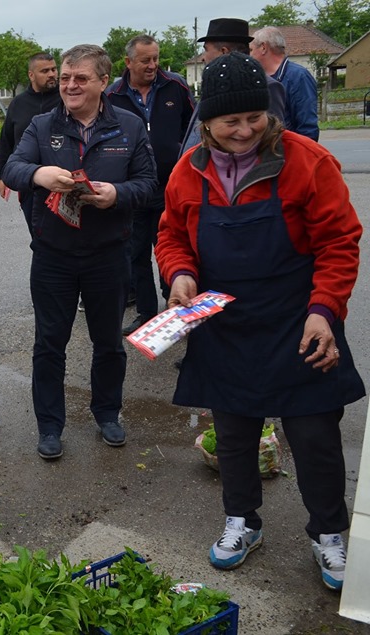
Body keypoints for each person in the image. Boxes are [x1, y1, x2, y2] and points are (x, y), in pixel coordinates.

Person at [155, 52, 364, 591]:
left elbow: (339, 243)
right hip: (225, 322)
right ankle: (242, 521)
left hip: (300, 319)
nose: (246, 130)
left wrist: (325, 311)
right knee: (234, 432)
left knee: (315, 434)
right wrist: (179, 275)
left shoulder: (309, 161)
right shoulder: (188, 170)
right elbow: (172, 235)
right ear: (207, 124)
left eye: (256, 118)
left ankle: (329, 533)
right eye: (232, 121)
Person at [1, 44, 158, 460]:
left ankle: (107, 413)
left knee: (108, 343)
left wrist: (116, 194)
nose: (69, 85)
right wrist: (38, 173)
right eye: (66, 77)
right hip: (53, 255)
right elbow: (11, 169)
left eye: (80, 78)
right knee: (49, 344)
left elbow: (149, 184)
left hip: (108, 255)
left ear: (104, 81)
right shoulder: (41, 124)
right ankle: (50, 426)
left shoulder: (128, 125)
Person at [106, 34, 194, 336]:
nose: (153, 65)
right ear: (128, 62)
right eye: (146, 60)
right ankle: (146, 314)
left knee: (172, 251)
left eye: (156, 58)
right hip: (133, 191)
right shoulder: (112, 95)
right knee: (137, 255)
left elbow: (192, 127)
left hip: (172, 189)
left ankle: (177, 312)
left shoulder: (176, 86)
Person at [181, 18, 287, 155]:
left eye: (206, 50)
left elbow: (272, 142)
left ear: (224, 51)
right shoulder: (214, 84)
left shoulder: (266, 87)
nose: (202, 58)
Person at [0, 52, 61, 236]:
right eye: (45, 71)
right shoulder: (18, 103)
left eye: (54, 69)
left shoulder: (66, 99)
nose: (52, 74)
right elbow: (6, 140)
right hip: (29, 182)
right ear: (31, 75)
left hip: (61, 180)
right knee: (38, 237)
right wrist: (0, 175)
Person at [250, 26, 320, 142]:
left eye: (251, 50)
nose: (249, 56)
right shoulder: (259, 78)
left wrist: (300, 156)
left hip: (289, 153)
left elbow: (308, 128)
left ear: (263, 47)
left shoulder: (298, 77)